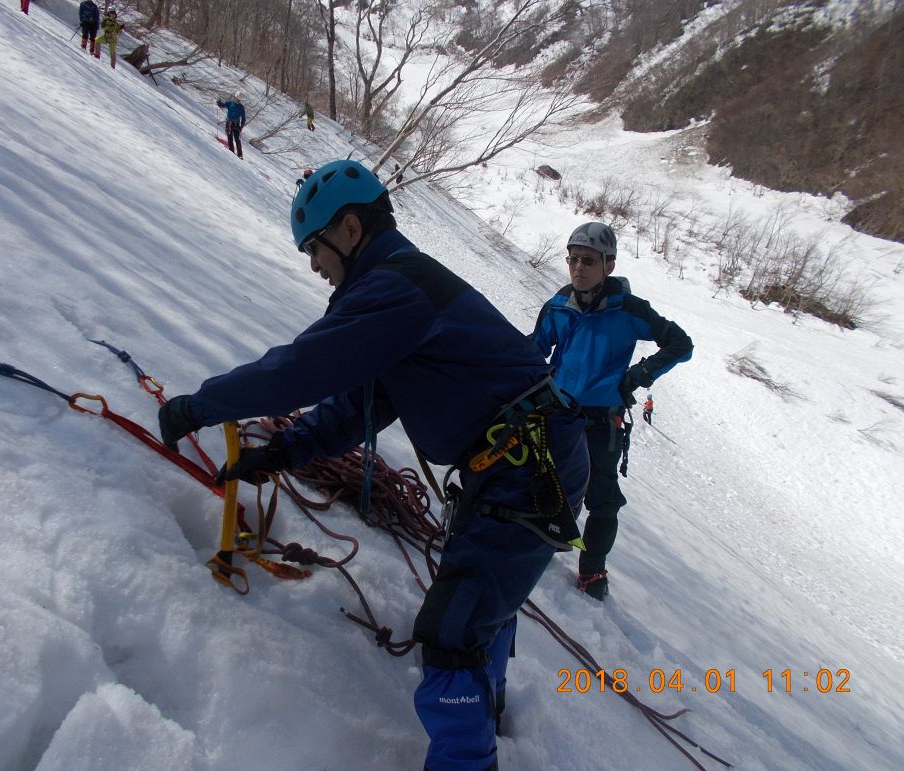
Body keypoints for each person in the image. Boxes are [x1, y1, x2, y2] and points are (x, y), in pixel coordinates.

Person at [157, 160, 589, 771]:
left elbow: (300, 369)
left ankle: (468, 754)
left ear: (351, 229)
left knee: (450, 630)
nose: (314, 265)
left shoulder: (393, 288)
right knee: (471, 609)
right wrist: (284, 451)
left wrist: (197, 407)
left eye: (314, 247)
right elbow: (363, 401)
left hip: (525, 468)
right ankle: (481, 710)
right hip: (522, 461)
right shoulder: (399, 289)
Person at [531, 222, 692, 600]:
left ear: (609, 265)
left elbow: (680, 343)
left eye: (588, 260)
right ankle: (546, 538)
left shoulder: (629, 310)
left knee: (602, 499)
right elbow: (534, 351)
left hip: (602, 418)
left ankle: (591, 572)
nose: (578, 267)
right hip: (558, 410)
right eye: (572, 259)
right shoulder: (559, 306)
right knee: (545, 479)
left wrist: (637, 375)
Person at [217, 93, 246, 158]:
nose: (238, 101)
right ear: (235, 98)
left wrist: (241, 126)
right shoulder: (230, 103)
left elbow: (243, 118)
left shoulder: (241, 107)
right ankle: (231, 151)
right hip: (229, 123)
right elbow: (222, 105)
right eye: (237, 99)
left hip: (236, 124)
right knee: (230, 138)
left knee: (237, 139)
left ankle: (240, 155)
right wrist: (219, 102)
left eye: (239, 100)